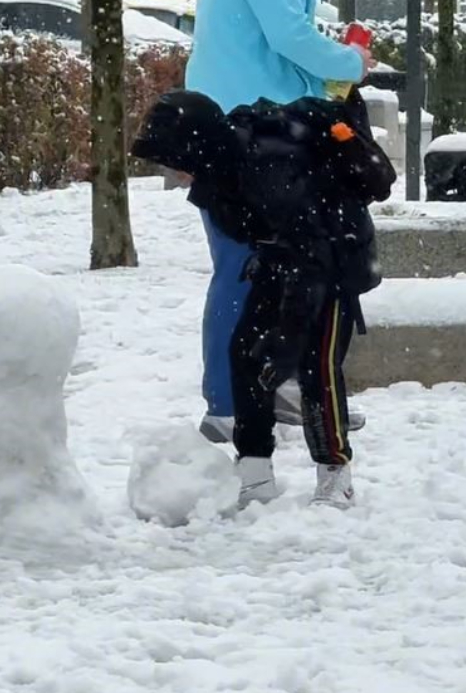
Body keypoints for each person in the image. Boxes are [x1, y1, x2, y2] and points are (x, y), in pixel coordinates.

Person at [132, 87, 395, 509]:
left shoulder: (266, 165)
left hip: (335, 257)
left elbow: (312, 257)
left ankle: (335, 474)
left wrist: (288, 339)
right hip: (284, 260)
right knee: (246, 355)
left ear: (194, 147)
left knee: (317, 368)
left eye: (174, 161)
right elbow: (266, 237)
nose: (175, 173)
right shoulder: (220, 170)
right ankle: (254, 473)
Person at [185, 0, 377, 444]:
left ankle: (267, 385)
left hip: (244, 121)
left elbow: (276, 36)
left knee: (275, 263)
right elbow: (287, 36)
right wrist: (350, 62)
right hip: (249, 127)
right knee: (246, 266)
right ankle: (228, 404)